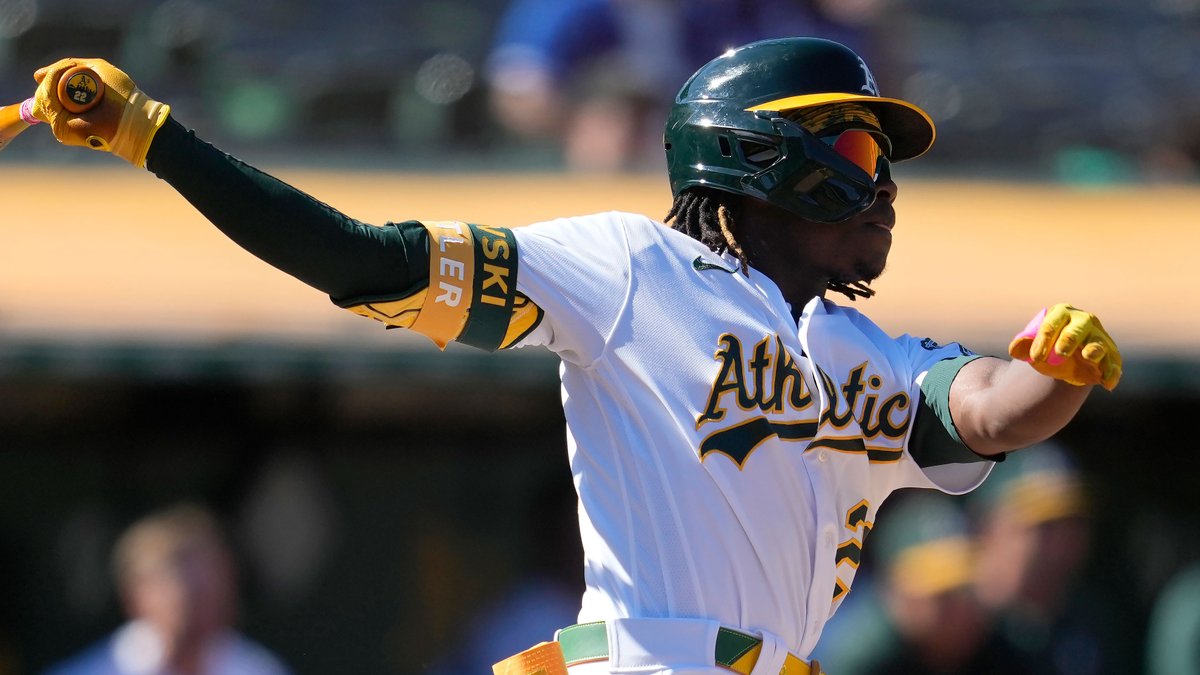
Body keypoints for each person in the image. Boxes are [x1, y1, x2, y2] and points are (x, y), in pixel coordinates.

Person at [25, 37, 1122, 675]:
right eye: (853, 143)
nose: (879, 180)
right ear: (755, 152)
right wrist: (155, 138)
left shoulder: (862, 346)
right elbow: (369, 262)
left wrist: (1056, 374)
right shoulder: (629, 267)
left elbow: (987, 409)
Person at [42, 504, 291, 675]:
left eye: (213, 590)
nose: (205, 607)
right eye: (190, 592)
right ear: (136, 596)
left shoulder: (258, 669)